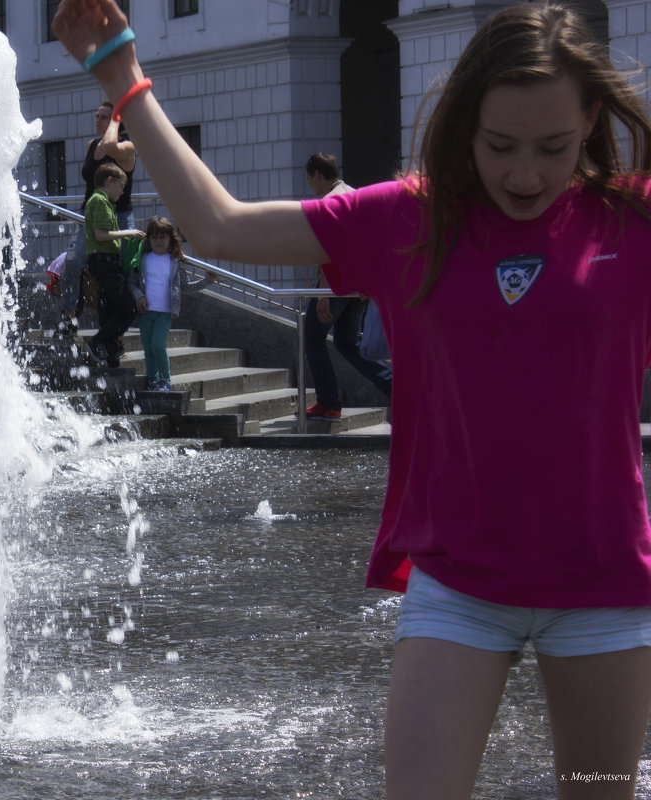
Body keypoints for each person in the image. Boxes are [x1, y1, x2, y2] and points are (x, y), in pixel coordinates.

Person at [54, 2, 651, 797]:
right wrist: (123, 78)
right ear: (462, 122)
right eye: (499, 145)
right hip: (459, 591)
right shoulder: (409, 217)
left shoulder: (632, 218)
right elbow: (220, 225)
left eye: (555, 147)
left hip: (602, 591)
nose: (524, 174)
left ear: (593, 124)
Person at [301, 153, 392, 420]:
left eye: (309, 179)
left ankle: (328, 401)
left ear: (318, 174)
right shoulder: (357, 196)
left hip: (337, 286)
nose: (310, 186)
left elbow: (331, 252)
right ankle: (391, 384)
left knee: (313, 339)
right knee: (346, 341)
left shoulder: (330, 202)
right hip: (360, 288)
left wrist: (324, 295)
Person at [55, 101, 138, 338]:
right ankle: (69, 316)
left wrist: (116, 117)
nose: (98, 120)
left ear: (117, 121)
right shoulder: (92, 145)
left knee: (118, 272)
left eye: (105, 117)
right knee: (73, 260)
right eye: (98, 115)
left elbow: (111, 144)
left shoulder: (126, 147)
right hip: (89, 216)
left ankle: (113, 332)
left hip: (119, 217)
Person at [127, 216, 215, 391]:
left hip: (165, 312)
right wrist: (138, 296)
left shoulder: (175, 261)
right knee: (148, 349)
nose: (159, 241)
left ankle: (165, 380)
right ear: (149, 239)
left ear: (170, 239)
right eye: (154, 237)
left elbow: (185, 286)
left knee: (157, 345)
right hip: (146, 311)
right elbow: (131, 282)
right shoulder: (143, 258)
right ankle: (153, 380)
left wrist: (207, 281)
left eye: (163, 237)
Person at [83, 161, 144, 367]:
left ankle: (111, 352)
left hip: (104, 261)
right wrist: (128, 233)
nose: (121, 192)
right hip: (104, 262)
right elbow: (101, 235)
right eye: (120, 186)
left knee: (109, 308)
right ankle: (99, 342)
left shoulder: (104, 202)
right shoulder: (99, 201)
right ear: (109, 181)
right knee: (128, 307)